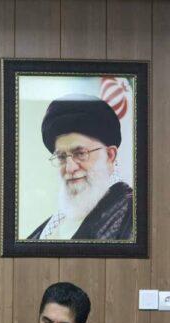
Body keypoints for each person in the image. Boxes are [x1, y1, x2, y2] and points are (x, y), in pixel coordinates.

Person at [27, 94, 133, 240]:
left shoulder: (133, 213)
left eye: (80, 153)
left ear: (109, 155)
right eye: (62, 157)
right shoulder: (58, 221)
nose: (70, 168)